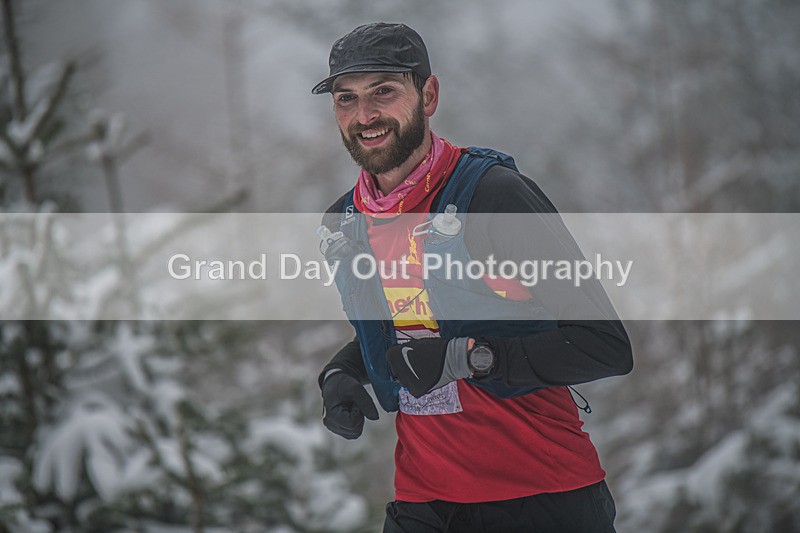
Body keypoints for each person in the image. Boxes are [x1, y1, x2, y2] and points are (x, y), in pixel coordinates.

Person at [313, 22, 633, 532]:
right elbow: (404, 322)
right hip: (424, 505)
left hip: (541, 500)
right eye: (346, 99)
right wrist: (343, 372)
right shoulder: (346, 221)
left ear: (429, 94)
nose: (364, 116)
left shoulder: (494, 198)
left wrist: (470, 357)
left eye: (384, 93)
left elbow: (605, 346)